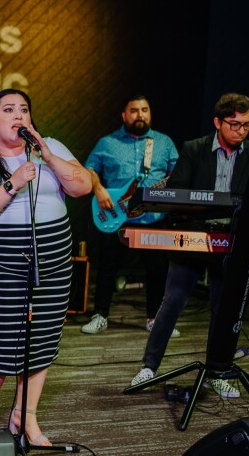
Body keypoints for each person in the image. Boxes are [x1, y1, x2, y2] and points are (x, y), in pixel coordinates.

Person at [129, 92, 249, 398]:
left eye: (247, 125)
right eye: (234, 124)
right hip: (195, 236)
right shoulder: (194, 149)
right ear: (217, 122)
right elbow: (178, 190)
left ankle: (216, 371)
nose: (241, 131)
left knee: (225, 308)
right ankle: (149, 367)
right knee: (173, 301)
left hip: (233, 240)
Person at [0, 88, 92, 447]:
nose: (18, 116)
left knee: (42, 340)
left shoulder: (52, 149)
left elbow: (84, 186)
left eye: (24, 110)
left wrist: (48, 155)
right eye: (9, 109)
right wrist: (13, 183)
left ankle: (25, 416)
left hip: (52, 263)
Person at [82, 95, 179, 336]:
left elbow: (178, 173)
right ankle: (100, 315)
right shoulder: (107, 143)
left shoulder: (164, 143)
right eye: (134, 110)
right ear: (124, 115)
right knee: (107, 268)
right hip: (116, 217)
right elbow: (89, 169)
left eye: (145, 110)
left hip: (153, 219)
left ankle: (154, 319)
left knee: (158, 271)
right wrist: (98, 188)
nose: (140, 115)